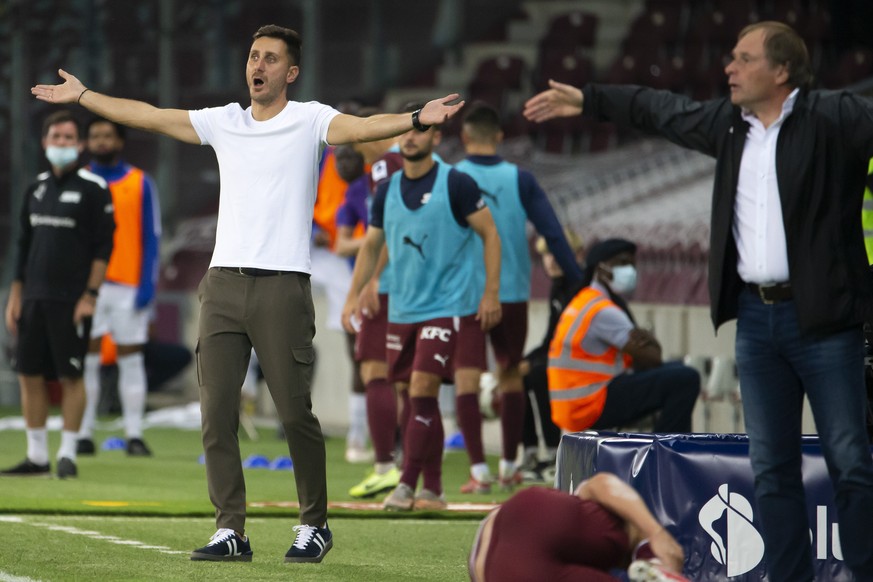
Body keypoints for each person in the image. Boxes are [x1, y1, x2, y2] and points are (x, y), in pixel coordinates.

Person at [31, 24, 464, 563]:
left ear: (291, 72)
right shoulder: (225, 122)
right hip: (221, 286)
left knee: (293, 414)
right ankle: (229, 528)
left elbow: (362, 127)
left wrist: (417, 117)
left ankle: (315, 524)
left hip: (283, 285)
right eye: (253, 56)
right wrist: (86, 97)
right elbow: (151, 115)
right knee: (215, 414)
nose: (257, 65)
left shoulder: (310, 119)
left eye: (270, 58)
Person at [524, 20, 873, 581]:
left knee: (852, 462)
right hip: (757, 322)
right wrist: (590, 98)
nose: (728, 68)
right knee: (771, 469)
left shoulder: (836, 117)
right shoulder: (728, 127)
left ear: (782, 71)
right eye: (730, 56)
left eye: (743, 58)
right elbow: (658, 108)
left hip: (826, 321)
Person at [341, 105, 501, 511]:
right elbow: (372, 245)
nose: (411, 137)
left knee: (421, 388)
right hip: (403, 309)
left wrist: (491, 293)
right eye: (408, 130)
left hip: (445, 307)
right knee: (414, 398)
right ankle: (434, 487)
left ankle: (405, 482)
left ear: (435, 139)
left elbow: (490, 234)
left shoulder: (457, 183)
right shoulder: (388, 189)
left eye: (422, 130)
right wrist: (354, 292)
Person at [450, 102, 585, 493]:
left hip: (466, 294)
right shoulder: (520, 178)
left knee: (467, 378)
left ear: (464, 137)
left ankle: (479, 472)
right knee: (510, 376)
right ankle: (510, 466)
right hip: (511, 291)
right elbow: (553, 232)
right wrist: (578, 280)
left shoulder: (453, 177)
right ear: (499, 137)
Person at [2, 110, 115, 480]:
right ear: (45, 143)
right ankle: (36, 458)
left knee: (71, 376)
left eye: (69, 138)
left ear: (80, 145)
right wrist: (16, 296)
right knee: (29, 375)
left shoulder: (94, 190)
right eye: (56, 138)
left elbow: (103, 248)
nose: (62, 144)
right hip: (33, 298)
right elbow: (22, 246)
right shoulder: (35, 188)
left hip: (71, 302)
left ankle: (67, 454)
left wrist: (90, 296)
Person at [548, 239, 700, 434]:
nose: (630, 270)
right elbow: (652, 359)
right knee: (686, 378)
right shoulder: (603, 311)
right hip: (590, 404)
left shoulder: (583, 301)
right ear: (601, 270)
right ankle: (663, 454)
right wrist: (652, 342)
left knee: (677, 370)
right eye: (622, 263)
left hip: (574, 404)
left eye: (632, 265)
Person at [77, 117, 161, 457]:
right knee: (87, 362)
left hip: (128, 286)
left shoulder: (140, 182)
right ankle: (82, 432)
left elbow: (152, 238)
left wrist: (147, 286)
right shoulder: (79, 180)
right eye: (94, 135)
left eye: (107, 135)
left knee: (130, 361)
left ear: (120, 141)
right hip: (86, 289)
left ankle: (134, 434)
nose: (100, 141)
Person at [341, 110, 407, 500]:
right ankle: (415, 470)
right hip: (423, 284)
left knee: (375, 369)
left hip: (393, 284)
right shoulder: (414, 163)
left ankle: (385, 465)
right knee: (411, 379)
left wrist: (372, 281)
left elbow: (388, 229)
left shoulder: (385, 165)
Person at [468, 471, 689, 582]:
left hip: (498, 563)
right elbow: (601, 483)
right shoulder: (616, 536)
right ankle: (651, 556)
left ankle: (652, 556)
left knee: (629, 531)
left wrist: (656, 533)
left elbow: (601, 483)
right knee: (628, 532)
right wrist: (656, 533)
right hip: (528, 529)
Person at [519, 231, 585, 482]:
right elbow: (551, 339)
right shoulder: (558, 287)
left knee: (539, 374)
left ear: (577, 255)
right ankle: (531, 450)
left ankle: (553, 452)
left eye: (556, 251)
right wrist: (524, 360)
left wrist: (535, 361)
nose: (552, 259)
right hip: (565, 360)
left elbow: (570, 340)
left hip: (586, 365)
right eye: (546, 253)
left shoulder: (579, 287)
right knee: (520, 373)